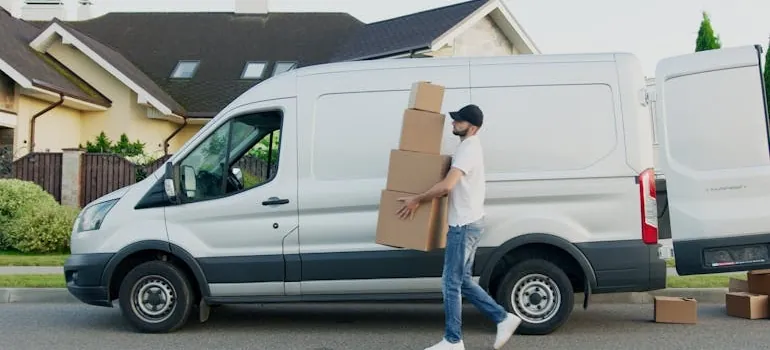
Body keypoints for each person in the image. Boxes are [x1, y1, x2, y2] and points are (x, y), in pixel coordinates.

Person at [397, 104, 521, 350]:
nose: (453, 123)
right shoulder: (468, 147)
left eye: (459, 121)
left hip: (463, 225)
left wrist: (416, 199)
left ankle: (453, 340)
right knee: (462, 280)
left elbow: (447, 186)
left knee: (450, 282)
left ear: (472, 127)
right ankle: (503, 318)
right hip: (470, 222)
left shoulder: (469, 148)